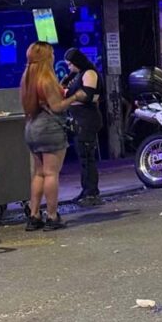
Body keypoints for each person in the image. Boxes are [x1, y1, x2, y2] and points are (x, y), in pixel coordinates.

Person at [21, 42, 87, 231]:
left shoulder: (27, 77)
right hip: (49, 128)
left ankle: (34, 216)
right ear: (45, 58)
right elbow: (57, 107)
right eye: (50, 54)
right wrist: (75, 97)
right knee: (51, 173)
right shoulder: (46, 78)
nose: (53, 57)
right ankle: (51, 216)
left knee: (39, 173)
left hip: (32, 127)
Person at [64, 48, 103, 207]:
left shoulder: (89, 74)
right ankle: (85, 189)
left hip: (87, 120)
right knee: (83, 156)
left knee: (87, 156)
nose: (69, 67)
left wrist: (68, 95)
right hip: (78, 120)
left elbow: (88, 96)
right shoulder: (76, 75)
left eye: (70, 64)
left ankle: (91, 191)